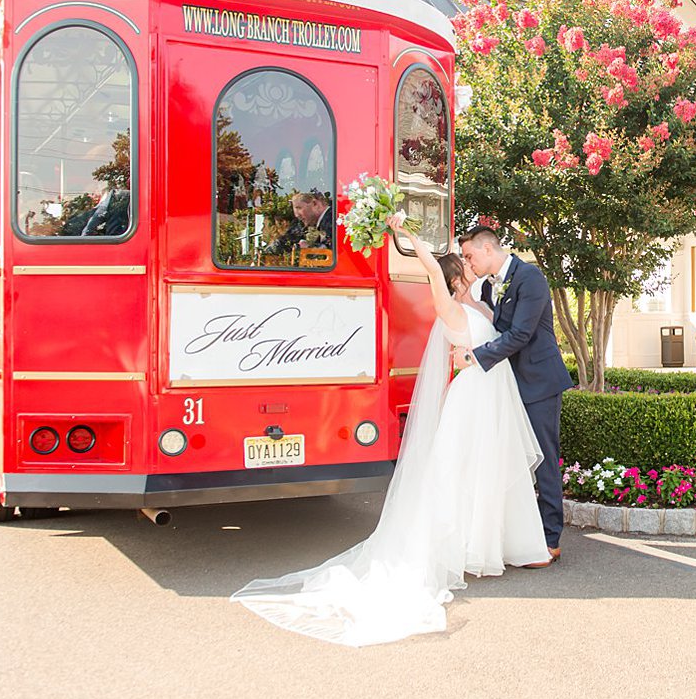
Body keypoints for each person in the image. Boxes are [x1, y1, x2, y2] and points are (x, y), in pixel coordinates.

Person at [231, 213, 550, 646]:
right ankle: (463, 547)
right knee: (461, 472)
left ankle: (495, 543)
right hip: (475, 398)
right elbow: (432, 267)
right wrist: (404, 232)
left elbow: (507, 330)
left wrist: (468, 283)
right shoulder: (450, 305)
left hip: (490, 397)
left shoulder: (478, 306)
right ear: (457, 279)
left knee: (487, 471)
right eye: (468, 266)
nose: (473, 268)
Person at [456, 225, 574, 562]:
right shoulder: (492, 287)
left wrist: (474, 358)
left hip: (539, 382)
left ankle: (551, 539)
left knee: (544, 460)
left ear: (488, 249)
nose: (469, 262)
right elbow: (498, 326)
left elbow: (521, 334)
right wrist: (470, 302)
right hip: (509, 384)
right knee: (514, 461)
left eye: (470, 255)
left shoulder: (530, 278)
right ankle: (523, 534)